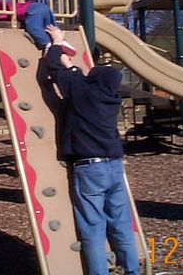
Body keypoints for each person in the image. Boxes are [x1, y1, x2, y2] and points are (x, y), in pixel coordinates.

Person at [44, 24, 139, 275]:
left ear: (93, 80)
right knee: (121, 224)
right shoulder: (110, 99)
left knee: (93, 227)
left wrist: (57, 41)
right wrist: (71, 66)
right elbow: (78, 78)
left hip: (90, 169)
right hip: (114, 167)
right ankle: (132, 270)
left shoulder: (83, 93)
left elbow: (53, 66)